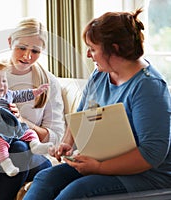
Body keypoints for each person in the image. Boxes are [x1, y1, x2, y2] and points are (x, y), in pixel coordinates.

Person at [23, 8, 171, 200]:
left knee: (75, 192)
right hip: (103, 162)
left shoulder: (149, 88)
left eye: (93, 49)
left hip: (147, 175)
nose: (87, 55)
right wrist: (67, 143)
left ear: (114, 48)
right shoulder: (100, 74)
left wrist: (99, 167)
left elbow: (151, 154)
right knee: (45, 178)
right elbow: (82, 114)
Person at [0, 18, 66, 199]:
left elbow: (56, 136)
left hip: (32, 154)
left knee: (19, 147)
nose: (27, 56)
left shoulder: (48, 83)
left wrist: (23, 122)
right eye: (22, 48)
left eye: (35, 51)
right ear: (10, 42)